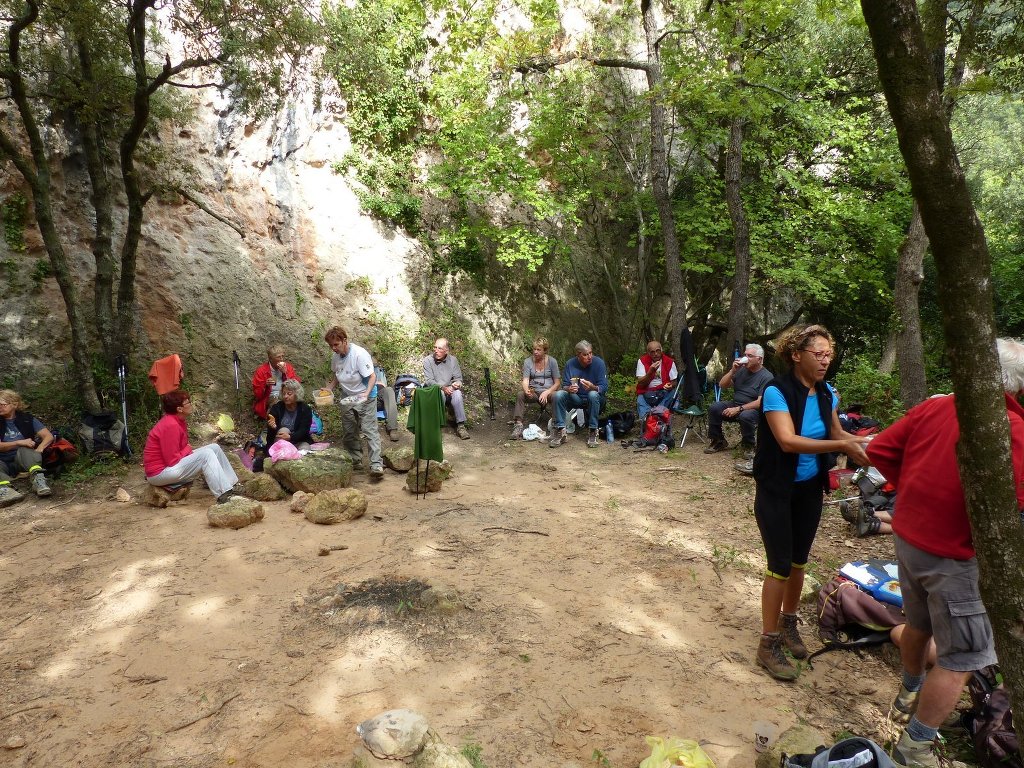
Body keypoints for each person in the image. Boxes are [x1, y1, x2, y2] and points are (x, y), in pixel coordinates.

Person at [865, 338, 1024, 768]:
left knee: (917, 623)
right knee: (964, 659)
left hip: (910, 538)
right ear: (1016, 386)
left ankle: (908, 691)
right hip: (956, 558)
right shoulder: (1008, 428)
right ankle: (915, 747)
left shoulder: (937, 407)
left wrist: (913, 488)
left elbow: (878, 450)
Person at [751, 325, 869, 681]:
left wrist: (873, 442)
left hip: (808, 488)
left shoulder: (827, 393)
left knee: (800, 562)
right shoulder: (776, 391)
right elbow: (787, 441)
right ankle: (767, 642)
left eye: (828, 355)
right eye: (818, 354)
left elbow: (837, 434)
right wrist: (842, 448)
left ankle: (788, 624)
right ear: (796, 354)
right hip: (776, 489)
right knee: (780, 565)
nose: (824, 361)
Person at [143, 390, 241, 503]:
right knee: (206, 455)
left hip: (169, 468)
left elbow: (179, 452)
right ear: (179, 409)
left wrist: (186, 449)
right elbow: (172, 460)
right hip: (159, 474)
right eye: (188, 402)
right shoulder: (171, 425)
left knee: (214, 448)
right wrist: (188, 449)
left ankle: (231, 484)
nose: (190, 404)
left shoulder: (178, 421)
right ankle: (224, 495)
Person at [324, 326, 384, 479]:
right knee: (349, 430)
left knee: (369, 430)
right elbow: (338, 375)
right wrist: (329, 388)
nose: (333, 348)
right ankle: (355, 460)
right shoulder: (336, 357)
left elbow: (372, 377)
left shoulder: (359, 354)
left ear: (345, 341)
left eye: (336, 344)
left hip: (366, 395)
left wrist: (366, 393)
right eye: (331, 345)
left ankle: (376, 464)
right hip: (348, 395)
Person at [706, 343, 773, 454]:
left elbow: (760, 402)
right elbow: (722, 385)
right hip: (736, 404)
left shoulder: (766, 376)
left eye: (750, 356)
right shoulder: (742, 370)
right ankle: (719, 440)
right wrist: (732, 371)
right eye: (745, 355)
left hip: (754, 410)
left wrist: (738, 409)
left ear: (759, 359)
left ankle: (748, 445)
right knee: (714, 407)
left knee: (745, 415)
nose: (745, 358)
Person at [550, 340, 608, 448]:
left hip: (595, 398)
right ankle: (561, 430)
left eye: (591, 353)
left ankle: (593, 431)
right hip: (576, 397)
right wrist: (569, 389)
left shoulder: (599, 363)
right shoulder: (570, 364)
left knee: (592, 394)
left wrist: (592, 387)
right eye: (585, 354)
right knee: (558, 395)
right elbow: (565, 385)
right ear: (578, 355)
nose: (589, 356)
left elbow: (604, 387)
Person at [0, 389, 54, 504]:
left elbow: (48, 436)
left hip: (23, 459)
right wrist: (18, 442)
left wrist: (40, 448)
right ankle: (5, 490)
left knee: (26, 449)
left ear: (14, 404)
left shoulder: (27, 419)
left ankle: (38, 480)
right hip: (3, 461)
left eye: (2, 404)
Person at [511, 337, 561, 439]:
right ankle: (518, 426)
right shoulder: (528, 362)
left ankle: (556, 426)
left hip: (549, 391)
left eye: (539, 350)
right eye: (534, 349)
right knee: (520, 395)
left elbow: (557, 383)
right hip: (534, 391)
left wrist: (547, 392)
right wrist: (526, 390)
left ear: (545, 350)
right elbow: (525, 380)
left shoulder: (552, 362)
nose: (535, 352)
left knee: (557, 395)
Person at [422, 338, 470, 440]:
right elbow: (429, 381)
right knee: (441, 393)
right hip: (435, 390)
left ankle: (461, 426)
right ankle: (436, 426)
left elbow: (458, 378)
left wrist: (457, 384)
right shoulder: (428, 361)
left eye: (440, 348)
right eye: (435, 347)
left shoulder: (453, 360)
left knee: (457, 394)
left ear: (446, 350)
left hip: (449, 389)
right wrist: (442, 388)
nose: (436, 350)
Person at [251, 345, 300, 420]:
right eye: (278, 357)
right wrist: (265, 385)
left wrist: (285, 373)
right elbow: (257, 394)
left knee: (295, 402)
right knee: (277, 404)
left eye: (282, 356)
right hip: (270, 396)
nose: (281, 359)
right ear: (270, 358)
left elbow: (295, 385)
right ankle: (271, 426)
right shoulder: (261, 370)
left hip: (285, 393)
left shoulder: (287, 367)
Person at [635, 340, 678, 421]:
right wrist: (650, 372)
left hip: (663, 391)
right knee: (640, 399)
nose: (656, 354)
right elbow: (641, 383)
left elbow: (674, 382)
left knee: (672, 393)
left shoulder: (669, 361)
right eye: (652, 352)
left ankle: (658, 413)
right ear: (648, 353)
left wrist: (670, 385)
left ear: (661, 350)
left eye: (658, 351)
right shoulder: (642, 361)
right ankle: (646, 418)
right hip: (646, 391)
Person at [267, 379, 314, 451]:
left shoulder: (305, 409)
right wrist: (273, 427)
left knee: (305, 449)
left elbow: (304, 430)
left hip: (298, 441)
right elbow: (271, 433)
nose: (285, 396)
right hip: (280, 442)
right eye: (284, 393)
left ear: (296, 394)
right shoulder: (277, 408)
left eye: (289, 394)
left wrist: (290, 437)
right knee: (284, 430)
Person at [374, 363, 400, 442]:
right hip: (367, 397)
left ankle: (392, 428)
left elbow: (383, 385)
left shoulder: (378, 369)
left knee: (388, 390)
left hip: (379, 396)